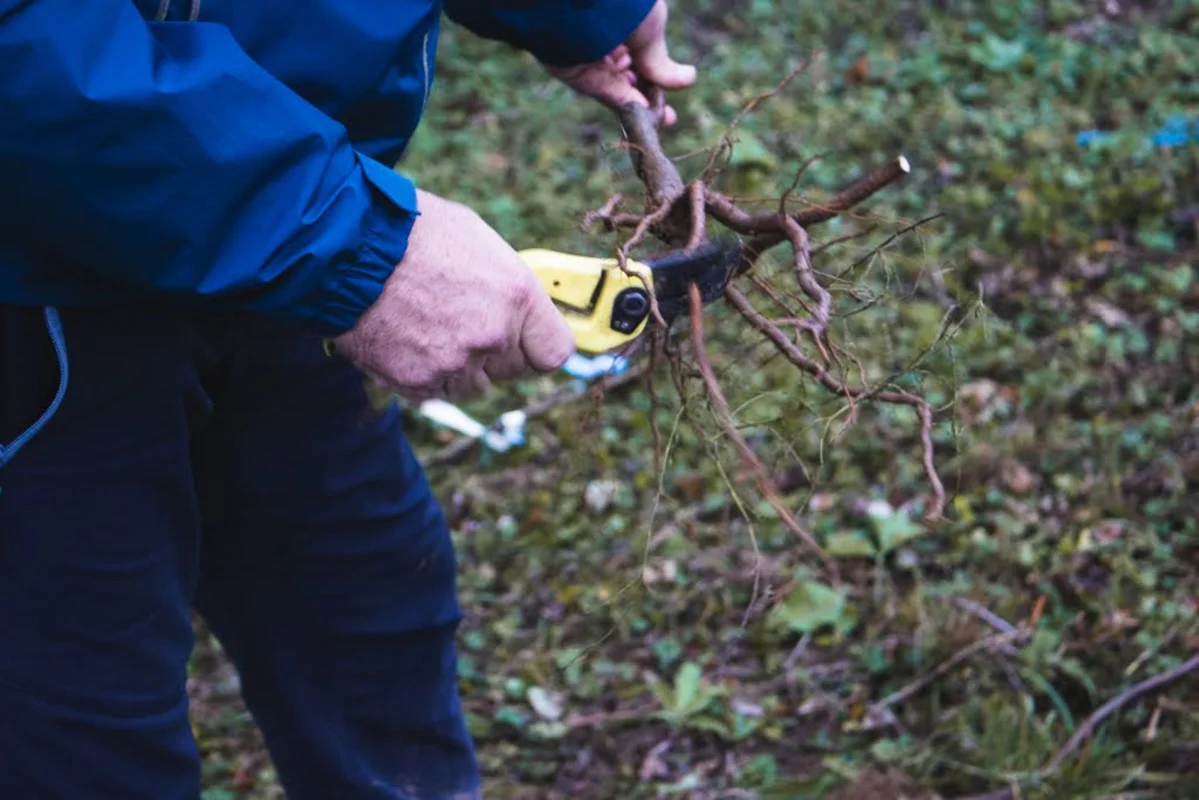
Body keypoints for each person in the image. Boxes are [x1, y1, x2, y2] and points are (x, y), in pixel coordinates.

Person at [0, 1, 695, 798]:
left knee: (368, 626)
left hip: (284, 216)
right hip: (35, 278)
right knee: (79, 734)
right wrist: (349, 240)